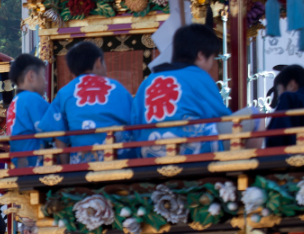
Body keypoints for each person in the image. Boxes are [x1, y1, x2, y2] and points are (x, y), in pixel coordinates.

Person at [132, 24, 232, 156]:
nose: (212, 63)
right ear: (201, 55)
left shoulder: (148, 81)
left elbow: (134, 121)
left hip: (149, 152)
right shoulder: (198, 76)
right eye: (212, 57)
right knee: (253, 118)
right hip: (192, 149)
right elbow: (221, 116)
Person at [38, 41, 133, 164]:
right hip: (122, 161)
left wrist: (68, 170)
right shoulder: (117, 88)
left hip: (82, 165)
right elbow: (136, 121)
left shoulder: (65, 93)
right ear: (98, 63)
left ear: (72, 72)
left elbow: (58, 136)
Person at [6, 54, 50, 167]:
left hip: (19, 163)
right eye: (43, 75)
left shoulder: (14, 102)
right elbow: (51, 130)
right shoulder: (32, 98)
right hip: (36, 162)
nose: (46, 82)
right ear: (31, 76)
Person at [266, 64, 304, 147]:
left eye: (279, 90)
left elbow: (275, 136)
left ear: (291, 85)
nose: (279, 95)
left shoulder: (289, 97)